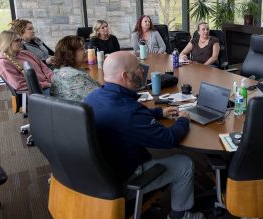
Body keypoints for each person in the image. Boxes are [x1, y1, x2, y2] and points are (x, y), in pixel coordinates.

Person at [84, 51, 204, 219]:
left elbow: (124, 116)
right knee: (185, 163)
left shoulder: (92, 97)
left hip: (100, 176)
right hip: (126, 180)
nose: (143, 71)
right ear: (125, 75)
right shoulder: (129, 111)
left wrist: (158, 112)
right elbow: (168, 139)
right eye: (138, 68)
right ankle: (180, 215)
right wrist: (183, 120)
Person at [0, 30, 53, 94]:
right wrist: (46, 84)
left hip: (50, 86)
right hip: (36, 92)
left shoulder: (26, 53)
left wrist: (54, 81)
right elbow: (19, 85)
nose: (21, 43)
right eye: (17, 40)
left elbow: (45, 69)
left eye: (21, 40)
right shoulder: (3, 62)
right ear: (7, 43)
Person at [50, 35, 100, 102]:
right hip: (83, 111)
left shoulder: (70, 69)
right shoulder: (70, 75)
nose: (86, 51)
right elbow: (100, 97)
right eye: (82, 49)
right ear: (70, 53)